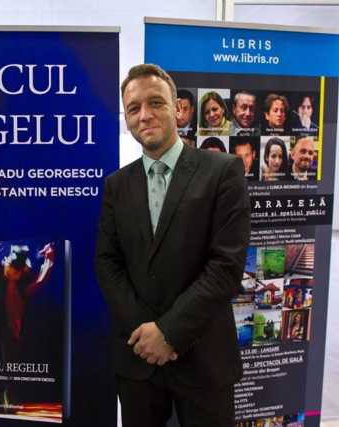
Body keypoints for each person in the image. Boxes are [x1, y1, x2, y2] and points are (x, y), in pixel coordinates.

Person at [96, 64, 250, 426]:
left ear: (177, 108)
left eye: (155, 103)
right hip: (139, 359)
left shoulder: (223, 171)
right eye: (134, 108)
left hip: (204, 357)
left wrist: (169, 333)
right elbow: (107, 262)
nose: (144, 115)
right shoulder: (117, 185)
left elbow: (225, 267)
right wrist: (148, 335)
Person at [0, 242, 55, 413]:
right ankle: (4, 400)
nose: (15, 273)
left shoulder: (23, 275)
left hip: (14, 323)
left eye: (18, 270)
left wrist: (49, 261)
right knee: (10, 360)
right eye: (13, 268)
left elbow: (37, 285)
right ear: (7, 263)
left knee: (11, 362)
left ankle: (0, 401)